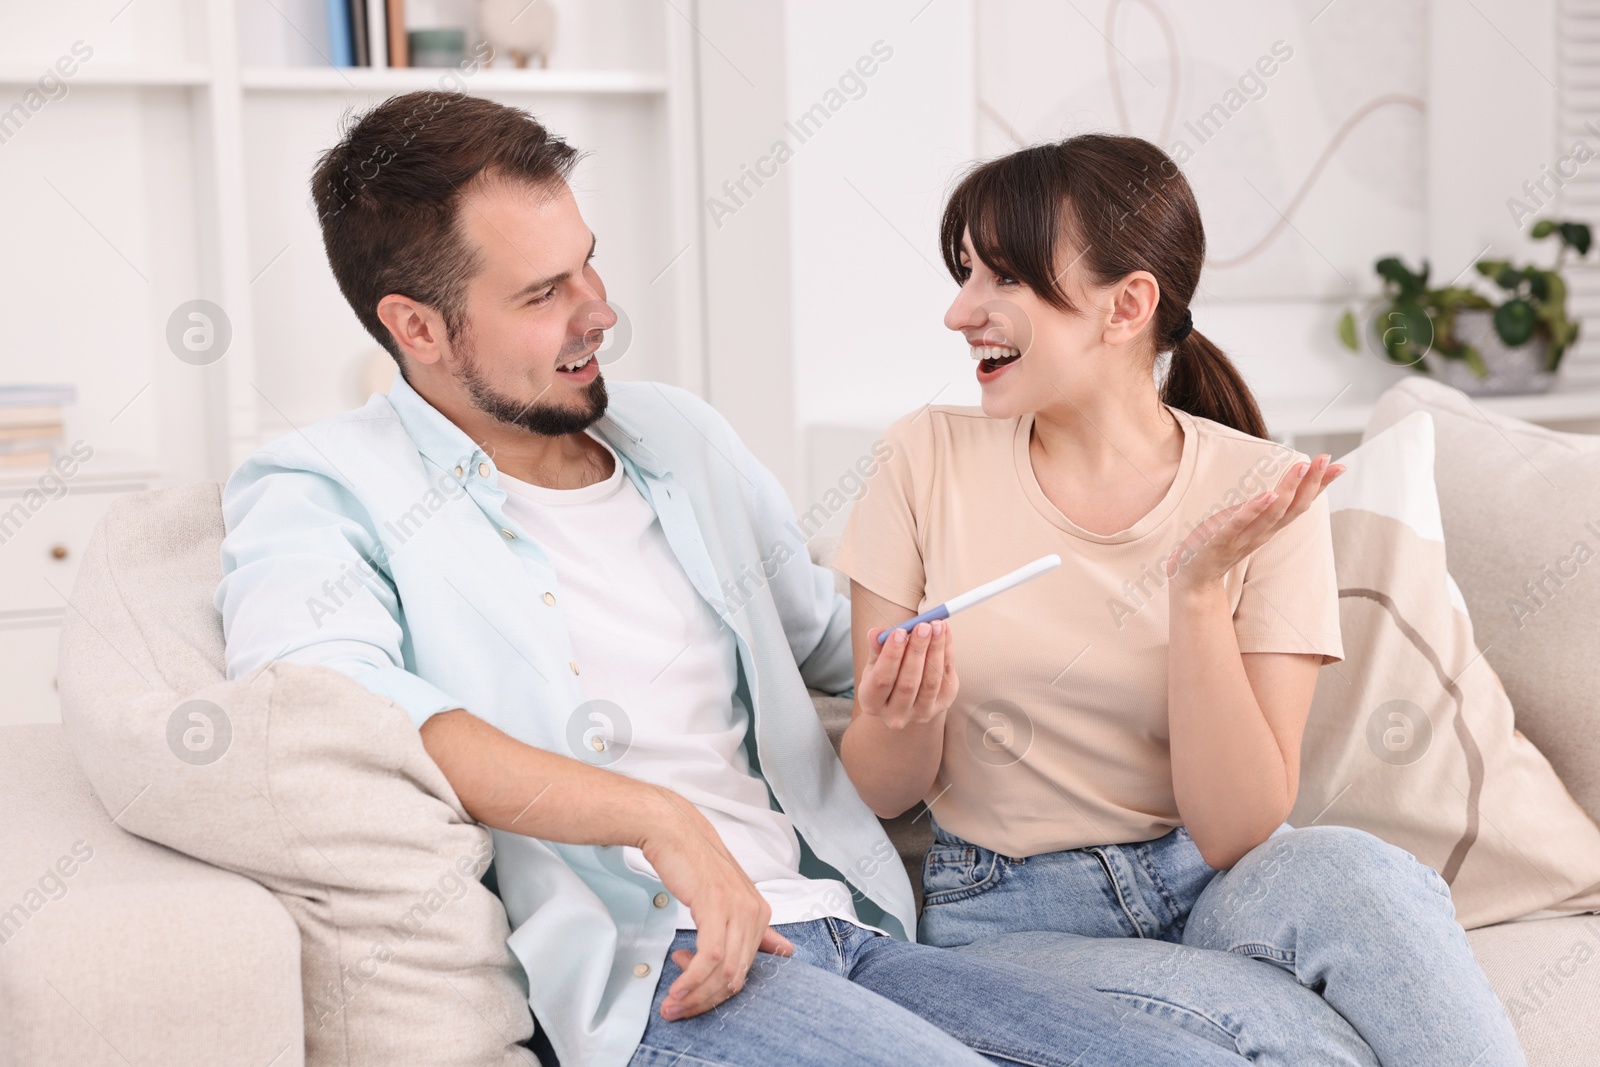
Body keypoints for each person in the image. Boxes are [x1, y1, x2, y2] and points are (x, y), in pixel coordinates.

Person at [214, 94, 1254, 1067]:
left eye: (587, 266)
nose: (599, 312)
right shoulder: (320, 489)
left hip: (846, 920)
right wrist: (656, 817)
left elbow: (839, 633)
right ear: (417, 328)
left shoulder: (678, 435)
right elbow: (333, 706)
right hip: (666, 968)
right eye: (542, 294)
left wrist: (1140, 608)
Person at [832, 134, 1525, 1067]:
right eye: (964, 273)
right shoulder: (922, 458)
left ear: (1127, 306)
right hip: (1005, 914)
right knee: (1292, 1045)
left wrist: (1197, 596)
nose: (961, 313)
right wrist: (900, 712)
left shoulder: (1264, 491)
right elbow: (882, 785)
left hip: (1213, 880)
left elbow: (1238, 826)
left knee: (1366, 875)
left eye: (1003, 280)